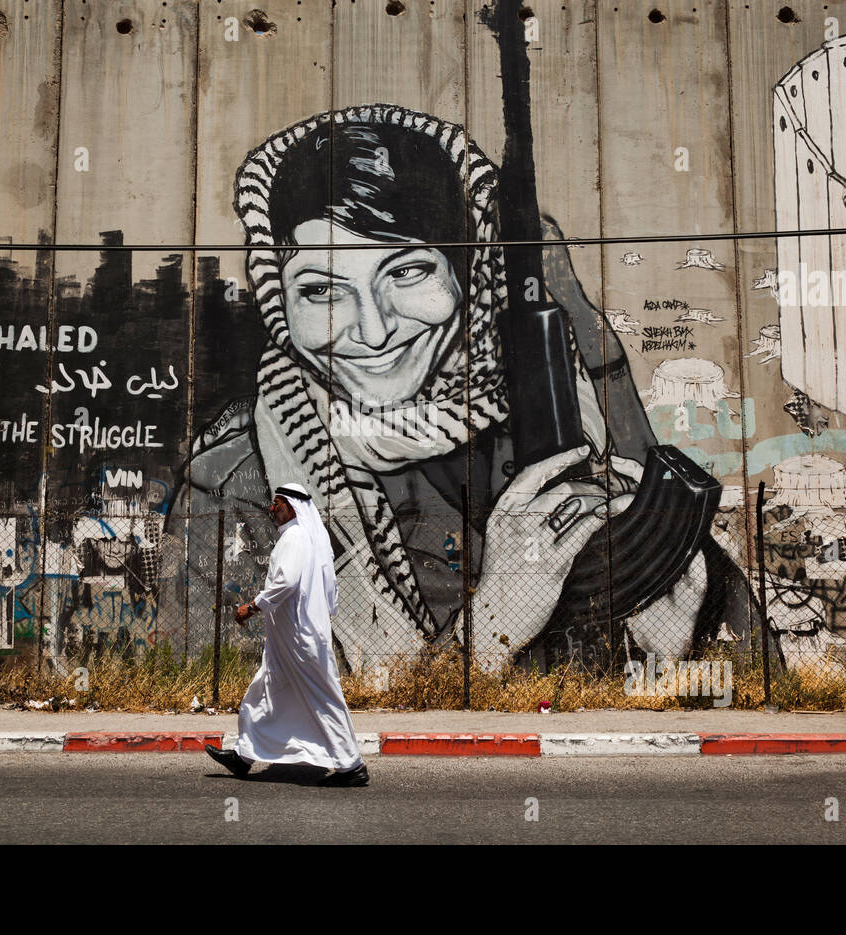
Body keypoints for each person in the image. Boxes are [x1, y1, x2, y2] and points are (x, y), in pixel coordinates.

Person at [170, 103, 752, 680]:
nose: (373, 332)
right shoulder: (235, 487)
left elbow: (745, 697)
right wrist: (492, 624)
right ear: (279, 298)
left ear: (466, 274)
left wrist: (674, 653)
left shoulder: (569, 425)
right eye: (321, 290)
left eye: (406, 272)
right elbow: (241, 708)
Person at [205, 483, 369, 787]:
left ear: (292, 507)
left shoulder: (295, 538)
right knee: (265, 692)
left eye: (277, 503)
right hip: (291, 638)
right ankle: (243, 757)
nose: (271, 508)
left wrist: (253, 607)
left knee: (323, 698)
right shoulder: (303, 539)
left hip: (299, 638)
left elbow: (286, 582)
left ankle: (351, 766)